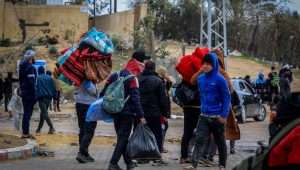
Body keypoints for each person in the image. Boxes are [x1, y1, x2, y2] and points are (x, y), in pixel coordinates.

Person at [102, 52, 147, 170]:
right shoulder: (133, 78)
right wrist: (141, 115)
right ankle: (113, 163)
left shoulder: (114, 75)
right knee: (123, 138)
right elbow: (135, 99)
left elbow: (103, 93)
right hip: (127, 114)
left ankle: (129, 163)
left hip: (115, 111)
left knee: (122, 138)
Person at [189, 53, 231, 170]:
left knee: (220, 142)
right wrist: (199, 71)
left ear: (214, 65)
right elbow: (192, 81)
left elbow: (227, 98)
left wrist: (223, 115)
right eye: (204, 64)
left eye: (208, 64)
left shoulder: (220, 80)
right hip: (203, 116)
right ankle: (194, 164)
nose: (206, 66)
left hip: (217, 117)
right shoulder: (201, 79)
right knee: (199, 139)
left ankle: (222, 165)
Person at [138, 61, 170, 155]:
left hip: (140, 112)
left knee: (141, 132)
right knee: (157, 134)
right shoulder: (158, 81)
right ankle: (157, 153)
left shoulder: (138, 79)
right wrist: (165, 114)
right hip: (154, 112)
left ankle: (141, 152)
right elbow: (163, 99)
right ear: (154, 68)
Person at [75, 81, 98, 163]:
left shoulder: (78, 77)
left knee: (82, 129)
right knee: (89, 130)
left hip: (79, 104)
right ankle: (81, 153)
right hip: (88, 105)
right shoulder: (87, 78)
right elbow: (93, 91)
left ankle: (85, 153)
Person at [19, 50, 37, 139]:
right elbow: (31, 82)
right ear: (31, 58)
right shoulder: (30, 68)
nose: (34, 58)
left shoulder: (22, 67)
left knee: (26, 113)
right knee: (27, 113)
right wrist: (35, 93)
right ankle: (25, 133)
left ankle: (25, 132)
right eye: (34, 57)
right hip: (30, 93)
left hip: (24, 92)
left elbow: (21, 80)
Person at [156, 66, 172, 153]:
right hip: (160, 111)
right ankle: (160, 147)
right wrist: (165, 114)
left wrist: (168, 80)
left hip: (159, 110)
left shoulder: (162, 81)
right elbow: (163, 99)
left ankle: (160, 146)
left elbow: (168, 87)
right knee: (163, 127)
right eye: (165, 72)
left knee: (163, 127)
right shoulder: (160, 82)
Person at [35, 67, 56, 134]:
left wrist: (35, 97)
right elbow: (53, 88)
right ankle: (38, 129)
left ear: (38, 71)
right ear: (44, 71)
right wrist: (54, 97)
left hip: (41, 98)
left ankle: (51, 127)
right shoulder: (50, 78)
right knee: (43, 113)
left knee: (44, 113)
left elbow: (36, 88)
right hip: (49, 98)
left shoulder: (38, 78)